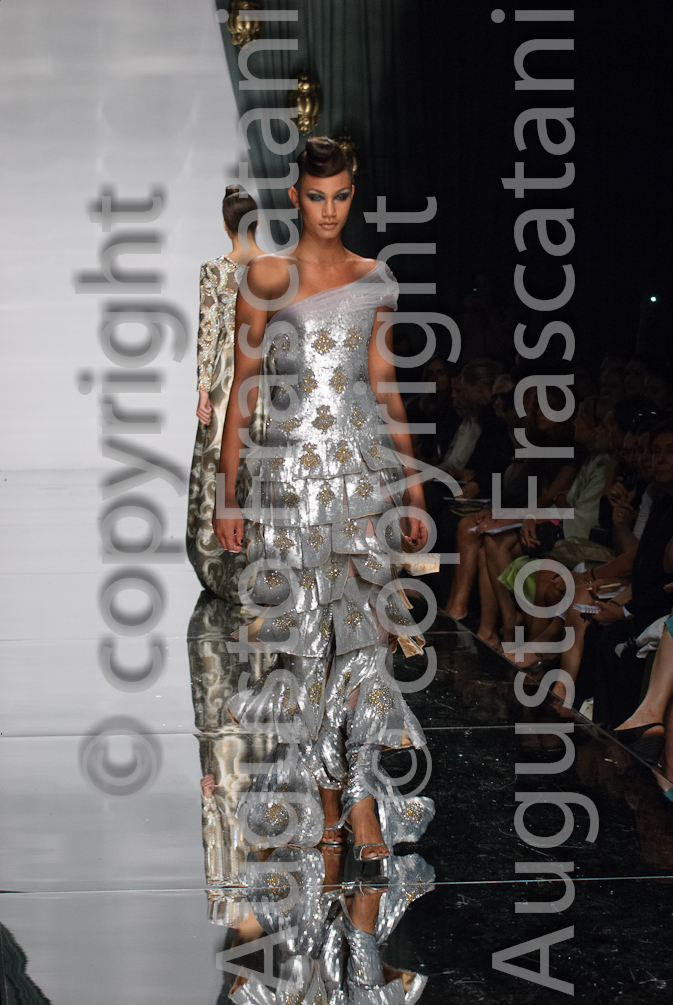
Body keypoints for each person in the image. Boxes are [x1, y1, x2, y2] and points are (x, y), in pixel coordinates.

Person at [213, 137, 433, 863]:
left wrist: (414, 483)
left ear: (351, 194)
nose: (329, 210)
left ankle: (361, 805)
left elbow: (385, 385)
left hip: (362, 483)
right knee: (307, 650)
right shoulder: (269, 277)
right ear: (295, 197)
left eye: (339, 196)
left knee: (365, 646)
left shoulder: (376, 278)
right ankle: (329, 803)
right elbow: (243, 390)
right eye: (316, 196)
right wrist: (226, 492)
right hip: (288, 488)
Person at [186, 186, 264, 601]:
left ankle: (223, 561)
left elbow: (209, 332)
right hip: (268, 377)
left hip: (228, 377)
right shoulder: (277, 268)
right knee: (263, 463)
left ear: (224, 225)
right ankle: (267, 562)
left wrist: (203, 390)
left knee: (224, 457)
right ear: (257, 222)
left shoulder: (214, 270)